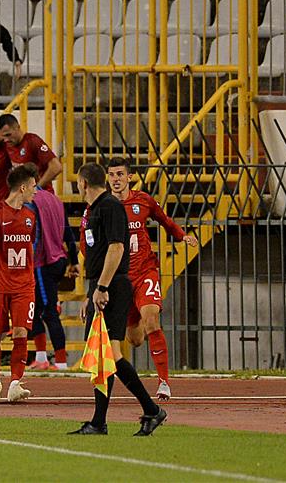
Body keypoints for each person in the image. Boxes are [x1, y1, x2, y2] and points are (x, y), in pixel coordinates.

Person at [70, 163, 166, 436]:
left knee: (109, 354)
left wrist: (101, 287)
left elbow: (116, 247)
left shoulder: (109, 207)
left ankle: (146, 411)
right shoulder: (93, 209)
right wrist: (91, 292)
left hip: (112, 286)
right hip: (101, 286)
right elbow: (96, 253)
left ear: (84, 182)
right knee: (105, 355)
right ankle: (108, 419)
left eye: (78, 182)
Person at [106, 157, 198, 400]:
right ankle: (140, 327)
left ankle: (164, 382)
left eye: (120, 174)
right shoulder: (102, 206)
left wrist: (182, 236)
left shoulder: (143, 200)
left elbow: (164, 220)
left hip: (146, 270)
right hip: (122, 278)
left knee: (152, 320)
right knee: (135, 339)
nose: (116, 179)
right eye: (112, 175)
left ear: (130, 177)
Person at [0, 164, 39, 403]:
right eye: (33, 187)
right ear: (22, 187)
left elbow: (30, 247)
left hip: (24, 285)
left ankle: (15, 383)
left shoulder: (31, 216)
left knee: (21, 331)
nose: (35, 191)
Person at [26, 187, 80, 371]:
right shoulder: (55, 199)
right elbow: (68, 233)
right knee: (37, 310)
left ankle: (60, 362)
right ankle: (42, 358)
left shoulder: (32, 201)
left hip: (43, 261)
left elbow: (35, 235)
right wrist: (74, 260)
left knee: (47, 312)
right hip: (59, 260)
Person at [0, 114, 62, 194]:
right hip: (23, 197)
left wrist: (36, 189)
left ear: (17, 127)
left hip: (41, 196)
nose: (6, 139)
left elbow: (56, 167)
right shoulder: (7, 143)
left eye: (8, 135)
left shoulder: (32, 141)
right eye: (3, 137)